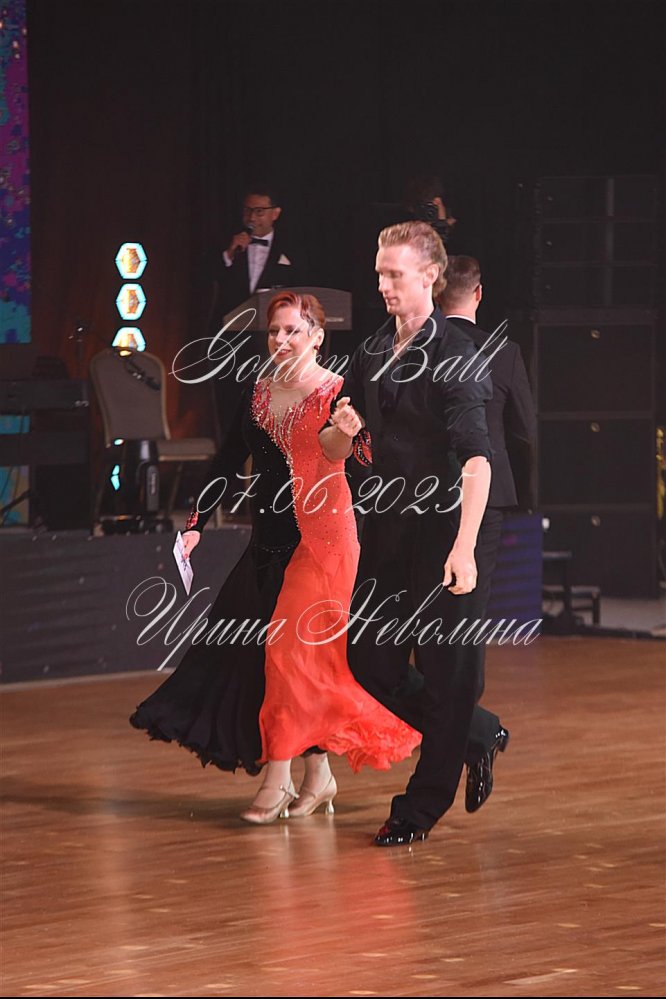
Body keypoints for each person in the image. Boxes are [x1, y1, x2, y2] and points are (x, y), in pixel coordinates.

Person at [130, 291, 420, 823]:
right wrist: (194, 524)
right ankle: (320, 776)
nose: (281, 340)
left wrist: (349, 433)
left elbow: (354, 456)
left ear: (317, 336)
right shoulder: (258, 391)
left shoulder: (338, 391)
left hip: (323, 542)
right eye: (274, 331)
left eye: (292, 330)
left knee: (288, 657)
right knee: (285, 665)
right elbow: (226, 461)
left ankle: (277, 780)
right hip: (267, 545)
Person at [322, 221, 508, 847]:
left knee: (448, 670)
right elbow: (333, 447)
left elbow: (477, 459)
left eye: (394, 274)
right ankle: (475, 733)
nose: (383, 284)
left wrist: (464, 548)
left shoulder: (457, 353)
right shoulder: (374, 349)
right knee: (367, 661)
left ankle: (419, 809)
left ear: (431, 276)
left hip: (450, 526)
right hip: (389, 525)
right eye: (379, 273)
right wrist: (342, 429)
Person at [437, 255, 537, 810]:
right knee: (466, 621)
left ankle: (470, 731)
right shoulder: (504, 352)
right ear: (478, 294)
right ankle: (475, 730)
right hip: (490, 499)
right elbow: (524, 431)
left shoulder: (420, 348)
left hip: (420, 498)